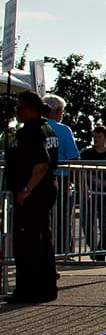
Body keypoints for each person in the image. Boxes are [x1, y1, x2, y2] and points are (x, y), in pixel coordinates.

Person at [4, 91, 59, 303]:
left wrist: (26, 189)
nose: (17, 113)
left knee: (28, 243)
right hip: (43, 190)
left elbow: (42, 162)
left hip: (34, 193)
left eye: (20, 109)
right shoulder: (48, 129)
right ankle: (45, 287)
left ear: (31, 109)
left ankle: (28, 290)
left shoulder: (32, 131)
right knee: (42, 240)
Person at [43, 94, 80, 256]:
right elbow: (74, 157)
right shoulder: (64, 130)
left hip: (37, 179)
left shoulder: (35, 129)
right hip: (60, 177)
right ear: (57, 111)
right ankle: (63, 250)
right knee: (63, 216)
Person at [78, 125, 106, 262]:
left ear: (105, 138)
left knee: (104, 224)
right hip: (90, 193)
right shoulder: (87, 153)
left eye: (99, 137)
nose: (96, 139)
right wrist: (91, 180)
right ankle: (94, 247)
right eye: (95, 137)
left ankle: (102, 251)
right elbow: (81, 170)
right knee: (87, 222)